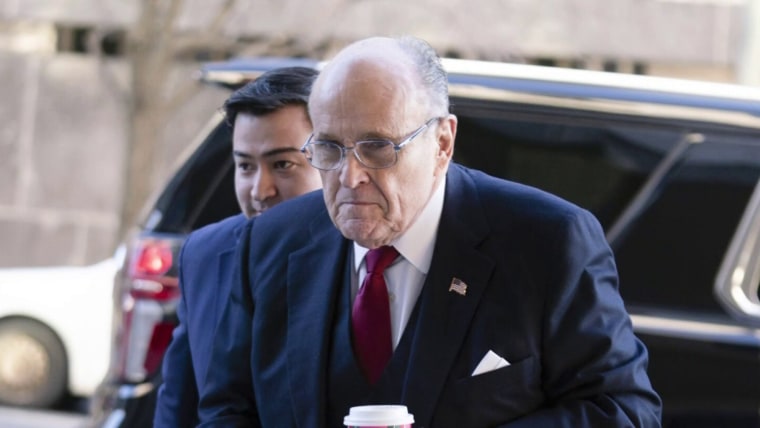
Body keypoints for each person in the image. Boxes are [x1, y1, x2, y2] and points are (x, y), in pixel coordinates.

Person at [198, 36, 662, 427]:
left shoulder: (546, 242)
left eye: (377, 148)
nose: (350, 176)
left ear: (442, 143)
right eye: (330, 148)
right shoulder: (272, 244)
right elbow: (228, 410)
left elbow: (623, 411)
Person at [152, 66, 322, 428]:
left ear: (333, 158)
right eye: (245, 166)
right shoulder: (205, 254)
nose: (260, 190)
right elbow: (179, 403)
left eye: (283, 164)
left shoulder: (366, 262)